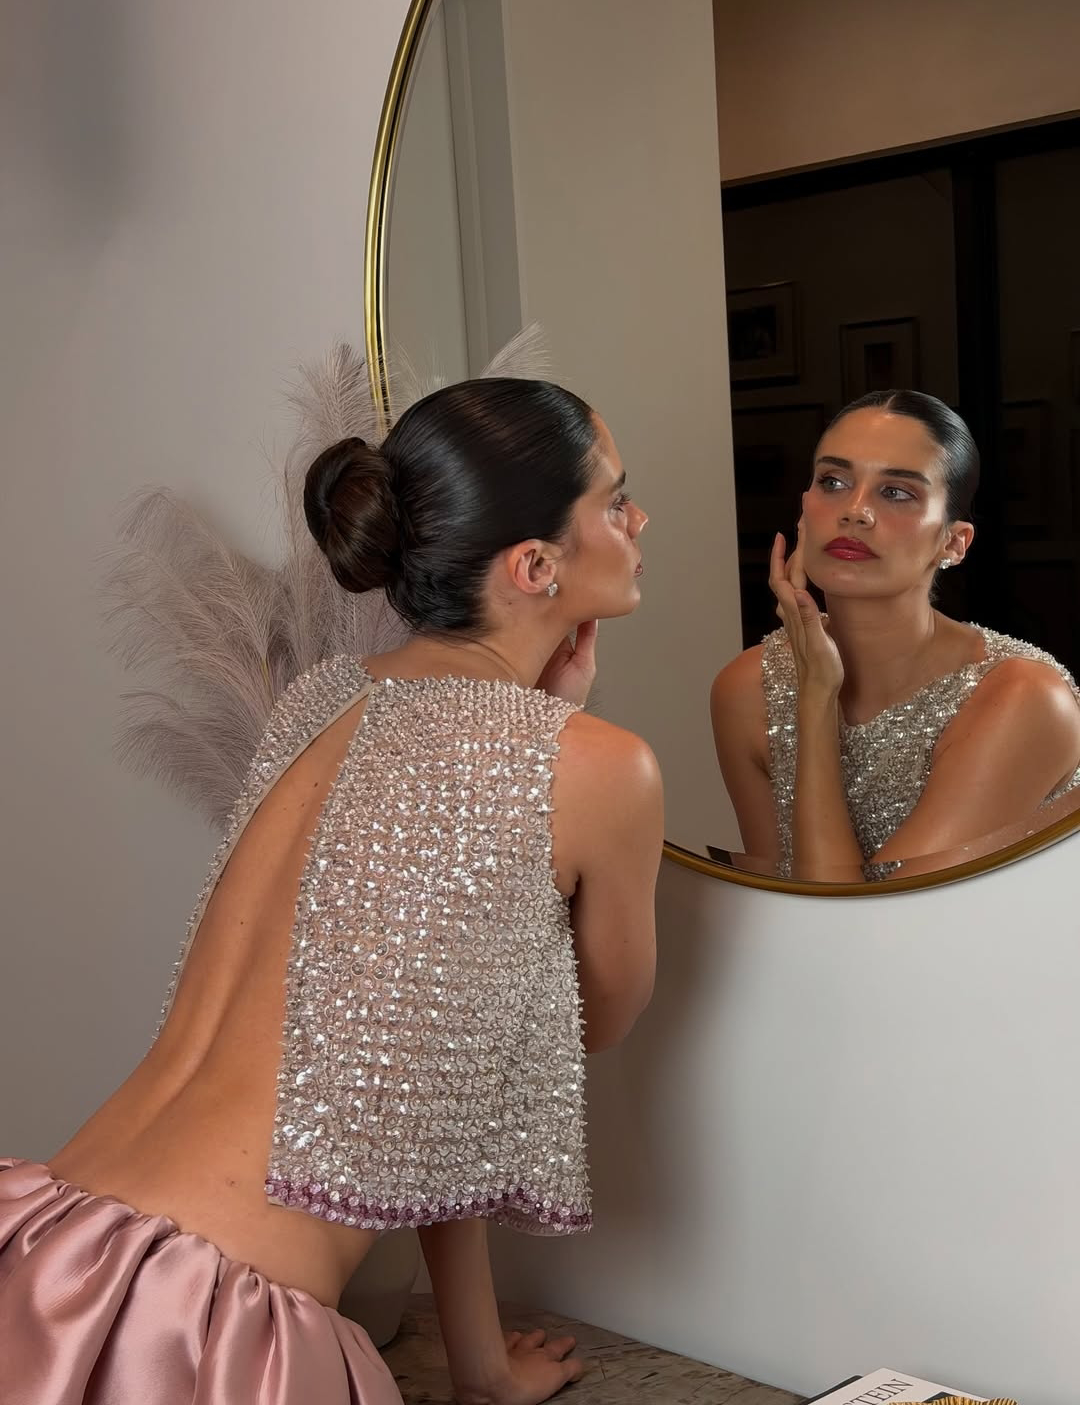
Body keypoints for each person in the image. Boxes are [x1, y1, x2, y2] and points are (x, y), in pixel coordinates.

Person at [0, 378, 663, 1404]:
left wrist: (483, 1369)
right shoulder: (600, 770)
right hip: (194, 1339)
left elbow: (434, 1084)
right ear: (535, 565)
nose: (640, 520)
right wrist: (554, 733)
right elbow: (597, 1022)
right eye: (615, 500)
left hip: (48, 1243)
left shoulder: (324, 700)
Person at [710, 389, 1080, 881]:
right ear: (803, 509)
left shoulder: (1024, 697)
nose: (854, 511)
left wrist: (816, 700)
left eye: (896, 492)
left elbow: (864, 919)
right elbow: (785, 909)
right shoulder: (747, 689)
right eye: (833, 481)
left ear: (954, 542)